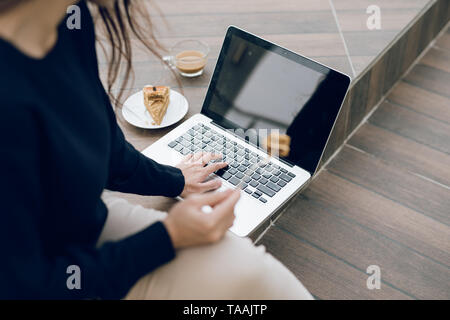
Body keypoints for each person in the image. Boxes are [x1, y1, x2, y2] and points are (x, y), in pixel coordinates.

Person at [0, 0, 313, 299]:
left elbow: (109, 152)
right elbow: (28, 287)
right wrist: (169, 236)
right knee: (248, 274)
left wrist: (176, 179)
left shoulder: (68, 19)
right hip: (49, 278)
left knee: (249, 266)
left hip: (79, 220)